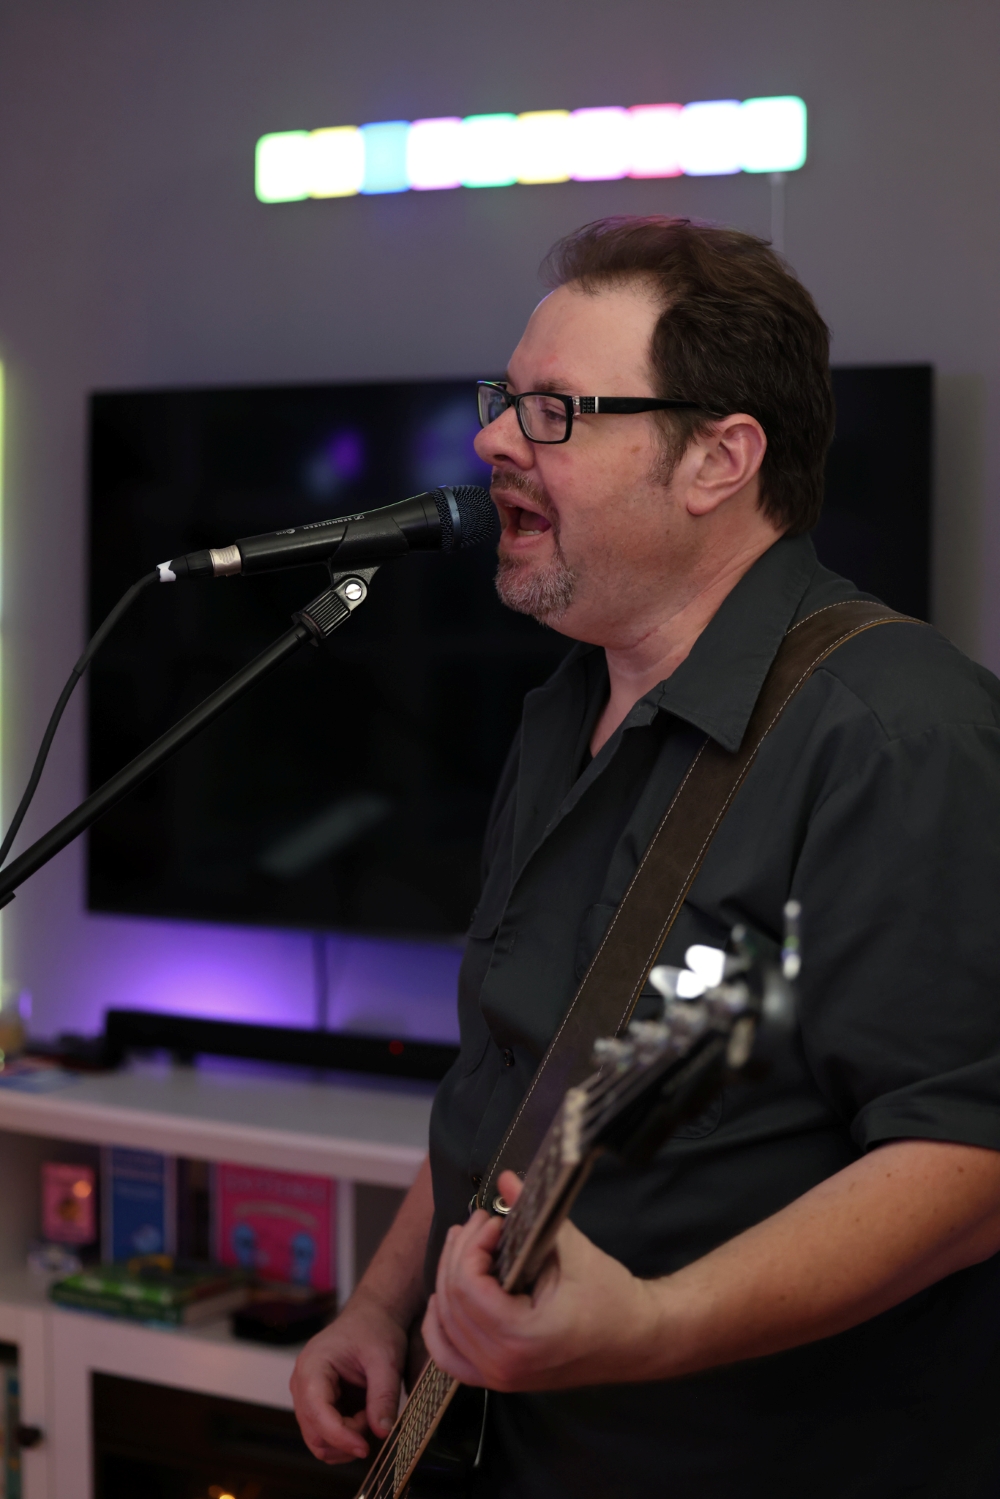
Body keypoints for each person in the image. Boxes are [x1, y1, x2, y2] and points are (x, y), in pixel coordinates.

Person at [291, 217, 1000, 1497]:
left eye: (556, 408)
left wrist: (652, 1323)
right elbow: (516, 1073)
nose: (496, 438)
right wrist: (380, 1305)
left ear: (718, 458)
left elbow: (971, 1157)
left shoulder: (902, 732)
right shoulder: (564, 704)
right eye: (506, 399)